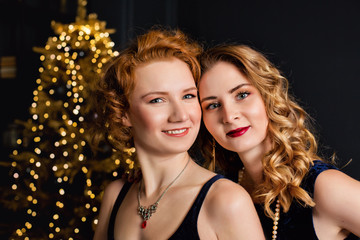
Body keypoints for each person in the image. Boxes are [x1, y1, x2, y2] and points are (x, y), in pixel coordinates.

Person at [92, 28, 264, 240]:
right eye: (157, 100)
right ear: (123, 113)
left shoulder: (226, 201)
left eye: (188, 96)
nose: (181, 115)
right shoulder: (116, 195)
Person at [197, 44, 360, 240]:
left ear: (268, 96)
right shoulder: (227, 190)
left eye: (242, 95)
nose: (229, 116)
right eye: (213, 105)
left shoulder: (325, 187)